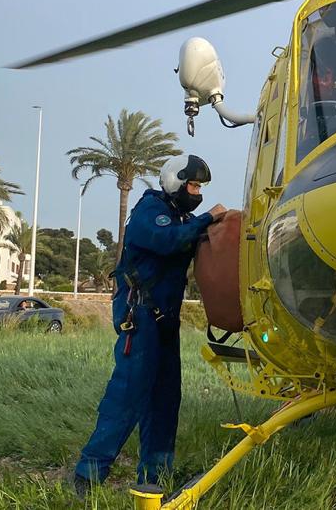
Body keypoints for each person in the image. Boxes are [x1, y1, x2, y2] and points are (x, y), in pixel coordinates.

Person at [72, 154, 225, 497]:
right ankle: (88, 474)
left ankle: (156, 475)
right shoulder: (149, 211)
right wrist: (207, 218)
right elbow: (166, 240)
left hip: (166, 320)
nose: (197, 192)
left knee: (165, 398)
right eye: (192, 185)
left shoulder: (182, 218)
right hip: (139, 316)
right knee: (127, 395)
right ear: (175, 182)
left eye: (199, 187)